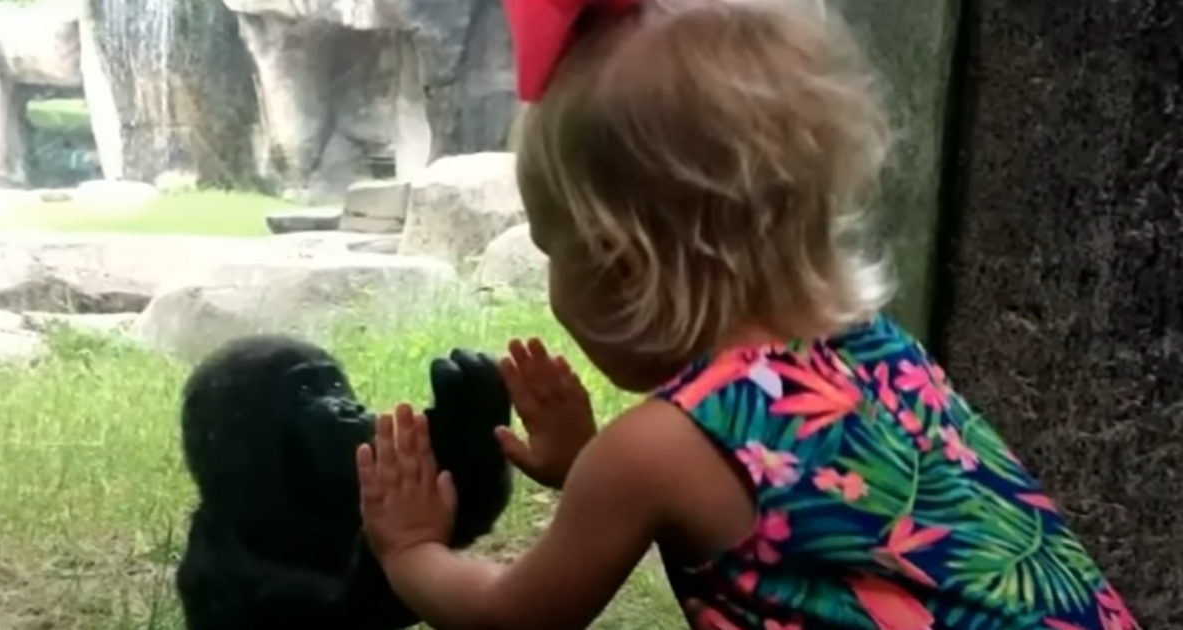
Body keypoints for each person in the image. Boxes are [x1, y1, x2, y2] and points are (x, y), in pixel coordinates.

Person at [354, 0, 1143, 628]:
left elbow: (517, 614)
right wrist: (587, 473)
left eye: (552, 248)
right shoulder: (876, 351)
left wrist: (411, 549)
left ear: (622, 266)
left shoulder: (656, 453)